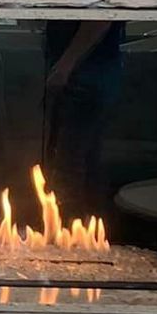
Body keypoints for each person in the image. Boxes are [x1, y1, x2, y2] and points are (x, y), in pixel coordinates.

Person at [43, 19, 125, 217]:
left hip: (86, 75)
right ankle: (84, 230)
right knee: (81, 160)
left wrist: (66, 64)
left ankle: (72, 231)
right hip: (88, 74)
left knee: (69, 164)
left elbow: (99, 19)